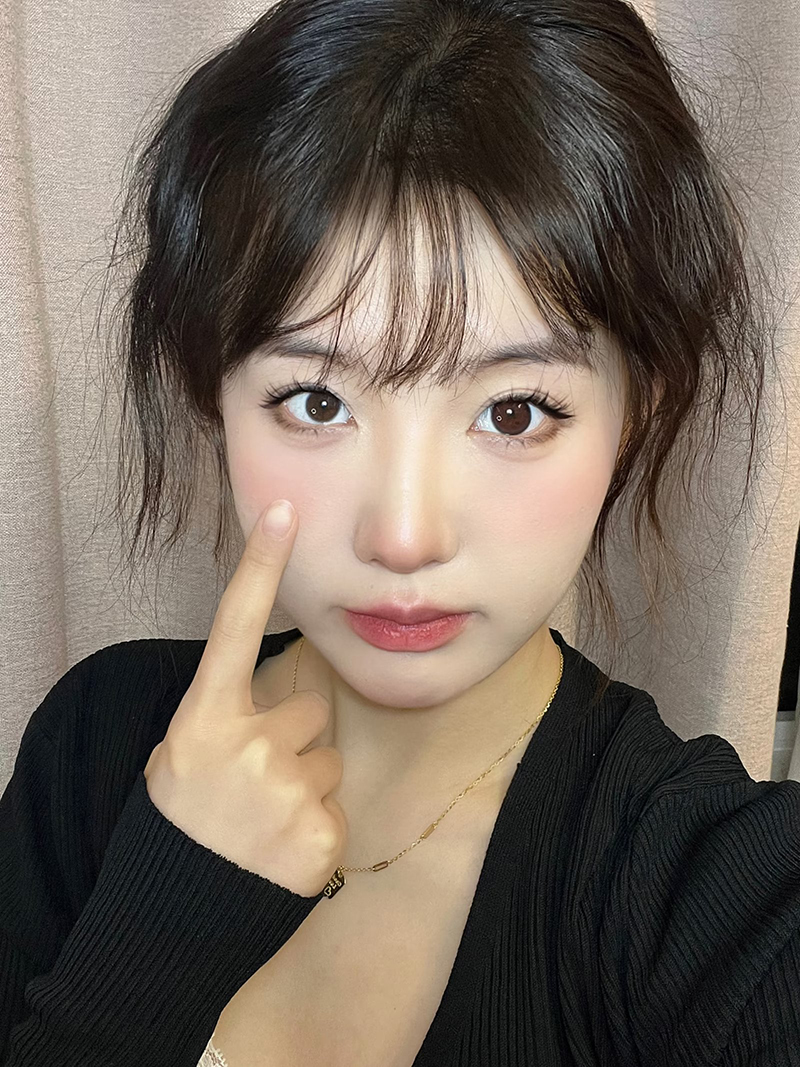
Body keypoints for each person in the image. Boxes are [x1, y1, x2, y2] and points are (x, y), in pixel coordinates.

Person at [1, 0, 798, 1064]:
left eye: (512, 411)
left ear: (634, 414)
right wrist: (160, 925)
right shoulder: (93, 748)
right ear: (212, 398)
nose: (405, 536)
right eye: (317, 401)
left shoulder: (704, 887)